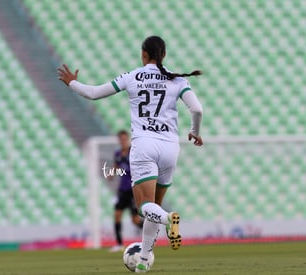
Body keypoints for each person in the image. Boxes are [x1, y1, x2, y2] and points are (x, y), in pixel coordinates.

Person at [58, 35, 203, 273]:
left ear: (143, 54)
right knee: (154, 206)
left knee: (145, 206)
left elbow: (94, 93)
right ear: (163, 55)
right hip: (170, 147)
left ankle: (169, 219)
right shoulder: (177, 80)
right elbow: (197, 109)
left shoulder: (132, 76)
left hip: (144, 146)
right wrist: (195, 132)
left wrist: (72, 83)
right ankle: (144, 260)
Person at [109, 130, 143, 252]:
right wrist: (112, 173)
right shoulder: (118, 154)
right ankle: (119, 243)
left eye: (124, 139)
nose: (122, 141)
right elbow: (117, 166)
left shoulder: (133, 152)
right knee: (117, 215)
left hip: (133, 189)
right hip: (122, 189)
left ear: (127, 139)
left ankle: (151, 233)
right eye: (120, 139)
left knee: (135, 220)